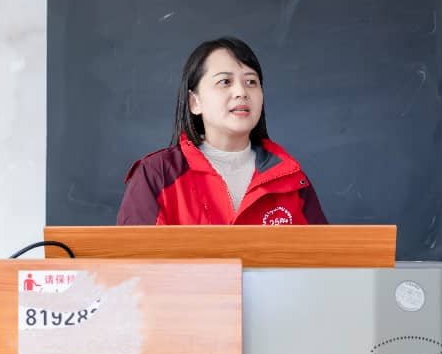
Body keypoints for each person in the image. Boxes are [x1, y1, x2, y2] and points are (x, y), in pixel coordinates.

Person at [117, 36, 327, 226]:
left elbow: (323, 254)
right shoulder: (158, 175)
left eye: (251, 82)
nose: (241, 92)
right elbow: (133, 255)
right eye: (225, 82)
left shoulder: (290, 178)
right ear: (195, 102)